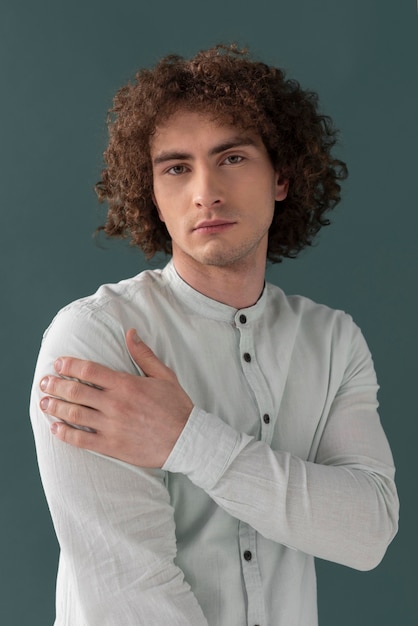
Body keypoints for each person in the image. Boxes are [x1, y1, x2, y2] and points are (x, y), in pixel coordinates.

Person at [30, 44, 399, 626]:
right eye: (176, 168)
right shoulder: (95, 338)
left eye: (231, 158)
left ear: (282, 177)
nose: (205, 191)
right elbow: (128, 588)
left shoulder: (332, 340)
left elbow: (368, 531)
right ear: (151, 192)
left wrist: (188, 439)